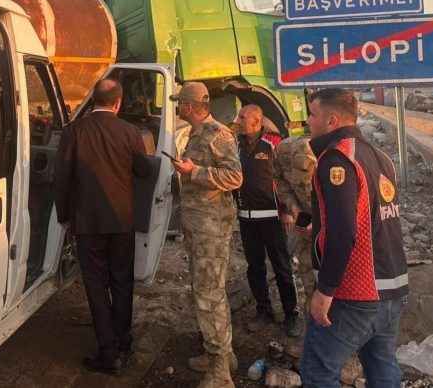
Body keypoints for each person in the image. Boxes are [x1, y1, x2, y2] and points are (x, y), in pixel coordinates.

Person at [299, 88, 409, 388]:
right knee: (382, 366)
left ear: (331, 120)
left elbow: (343, 229)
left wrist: (325, 289)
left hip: (357, 293)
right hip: (393, 287)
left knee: (317, 371)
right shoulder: (380, 157)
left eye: (312, 115)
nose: (307, 122)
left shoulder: (337, 160)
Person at [52, 79, 152, 375]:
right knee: (122, 280)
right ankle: (123, 340)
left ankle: (108, 352)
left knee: (96, 286)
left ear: (93, 100)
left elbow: (62, 177)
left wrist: (64, 215)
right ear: (118, 103)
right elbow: (144, 170)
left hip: (88, 221)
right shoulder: (130, 132)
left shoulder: (74, 131)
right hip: (121, 220)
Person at [170, 81, 243, 388]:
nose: (176, 107)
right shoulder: (198, 133)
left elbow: (235, 177)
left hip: (212, 230)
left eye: (179, 103)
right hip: (200, 229)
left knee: (209, 296)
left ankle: (220, 373)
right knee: (208, 292)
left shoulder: (218, 134)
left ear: (188, 107)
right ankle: (223, 355)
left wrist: (194, 172)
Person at [232, 104, 302, 337]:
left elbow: (283, 178)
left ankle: (291, 313)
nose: (238, 120)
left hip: (272, 218)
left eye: (242, 117)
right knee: (254, 268)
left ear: (256, 121)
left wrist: (285, 210)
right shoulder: (235, 144)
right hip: (246, 218)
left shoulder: (274, 143)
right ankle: (263, 310)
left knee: (282, 266)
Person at [273, 127, 318, 315]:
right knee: (310, 283)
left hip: (336, 236)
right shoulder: (284, 149)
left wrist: (320, 222)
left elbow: (348, 208)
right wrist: (293, 206)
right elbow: (279, 179)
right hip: (307, 235)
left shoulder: (334, 157)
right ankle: (314, 334)